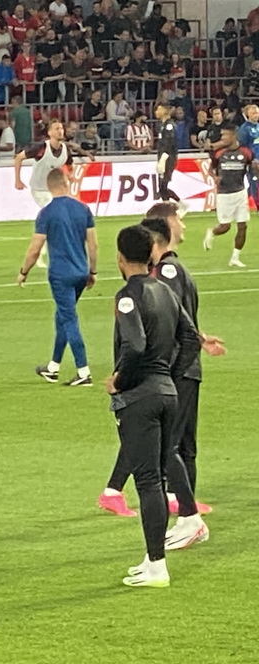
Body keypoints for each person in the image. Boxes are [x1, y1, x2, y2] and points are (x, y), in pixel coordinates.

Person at [99, 203, 224, 523]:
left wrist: (199, 339)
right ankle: (182, 509)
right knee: (167, 442)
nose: (183, 225)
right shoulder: (164, 274)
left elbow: (174, 322)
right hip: (165, 371)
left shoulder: (149, 281)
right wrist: (178, 362)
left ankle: (172, 506)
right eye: (179, 219)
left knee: (162, 440)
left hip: (164, 369)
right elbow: (153, 330)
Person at [106, 225, 202, 588]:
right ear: (151, 255)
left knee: (148, 482)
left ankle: (157, 565)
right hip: (169, 393)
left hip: (141, 397)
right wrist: (170, 375)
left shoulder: (127, 296)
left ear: (120, 257)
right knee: (159, 477)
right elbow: (190, 339)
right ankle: (152, 560)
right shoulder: (165, 290)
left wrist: (120, 380)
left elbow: (135, 345)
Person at [17, 168, 98, 387]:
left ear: (49, 187)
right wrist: (93, 271)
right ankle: (53, 367)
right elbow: (93, 244)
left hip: (61, 275)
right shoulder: (83, 209)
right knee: (62, 316)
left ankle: (83, 372)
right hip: (81, 272)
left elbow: (35, 248)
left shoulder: (47, 213)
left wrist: (24, 271)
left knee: (69, 319)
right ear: (65, 182)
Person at [13, 119, 92, 268]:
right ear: (49, 133)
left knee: (55, 220)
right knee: (58, 216)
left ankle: (42, 253)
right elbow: (18, 158)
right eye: (56, 128)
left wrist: (70, 175)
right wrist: (17, 180)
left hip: (55, 190)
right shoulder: (41, 147)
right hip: (40, 189)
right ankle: (45, 254)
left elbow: (70, 165)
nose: (60, 131)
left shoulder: (64, 149)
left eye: (61, 128)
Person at [203, 125, 255, 268]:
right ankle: (212, 232)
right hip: (224, 194)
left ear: (234, 136)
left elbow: (253, 167)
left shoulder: (246, 152)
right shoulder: (219, 153)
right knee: (225, 227)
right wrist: (215, 177)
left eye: (225, 135)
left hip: (240, 192)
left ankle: (235, 257)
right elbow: (210, 169)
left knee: (243, 226)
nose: (223, 138)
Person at [154, 104, 182, 205]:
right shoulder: (161, 125)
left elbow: (170, 143)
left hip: (168, 158)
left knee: (163, 184)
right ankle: (168, 206)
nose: (156, 112)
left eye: (158, 109)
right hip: (162, 156)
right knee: (161, 186)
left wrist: (163, 158)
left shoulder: (169, 125)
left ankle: (179, 204)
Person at [236, 104, 259, 209]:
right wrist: (250, 159)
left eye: (257, 113)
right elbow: (242, 147)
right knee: (254, 183)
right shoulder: (244, 129)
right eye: (253, 113)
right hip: (253, 162)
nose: (256, 115)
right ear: (248, 114)